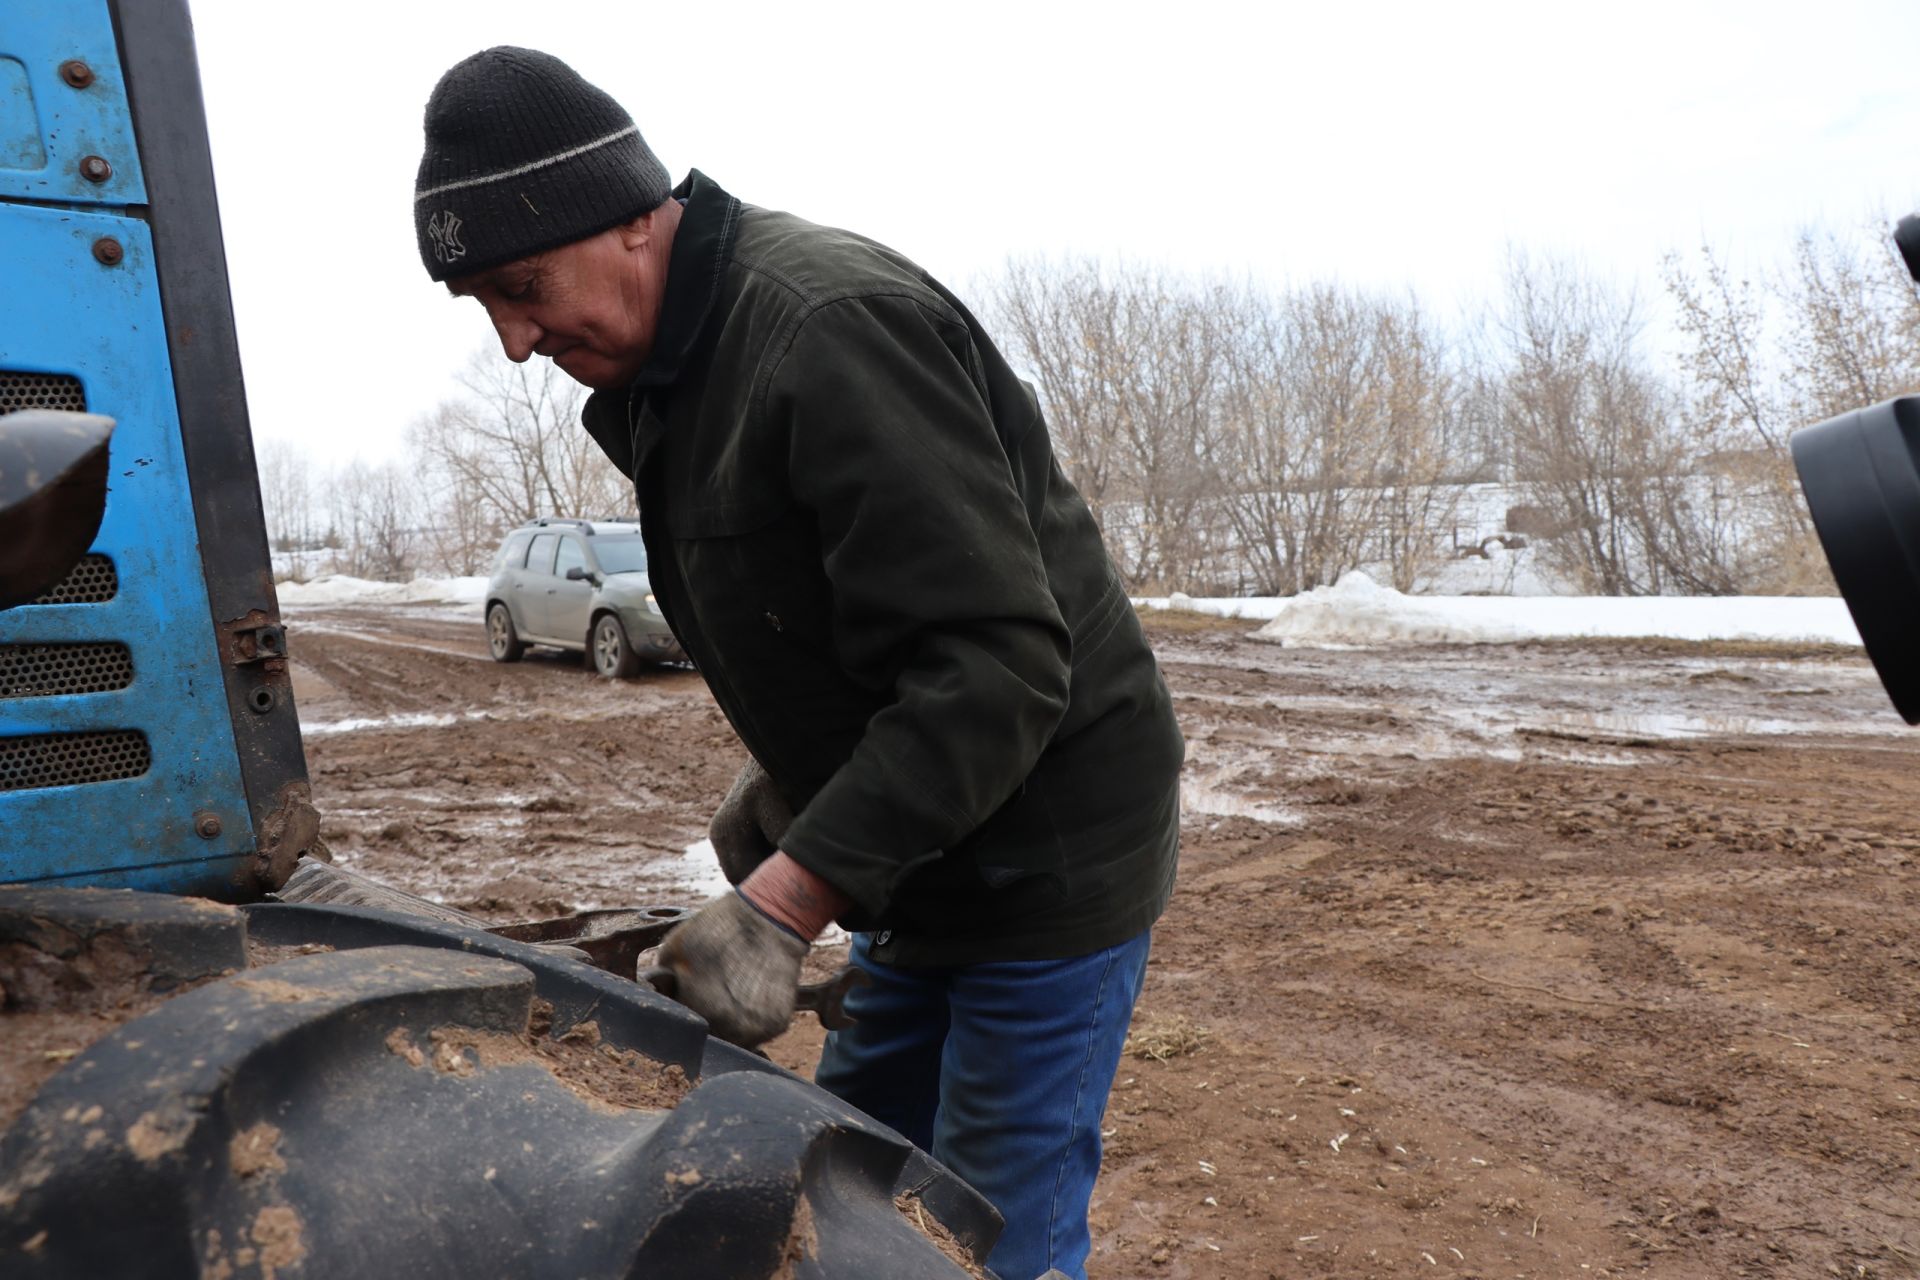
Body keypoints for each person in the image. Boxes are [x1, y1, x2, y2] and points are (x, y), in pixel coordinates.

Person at [415, 46, 1183, 1280]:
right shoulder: (676, 375)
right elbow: (839, 620)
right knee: (849, 1177)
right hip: (919, 857)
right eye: (484, 305)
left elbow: (995, 665)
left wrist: (785, 899)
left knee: (985, 1231)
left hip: (1044, 853)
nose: (514, 340)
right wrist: (791, 799)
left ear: (624, 218)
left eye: (522, 284)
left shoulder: (826, 331)